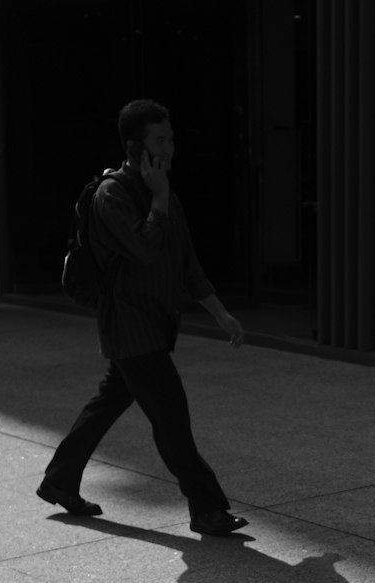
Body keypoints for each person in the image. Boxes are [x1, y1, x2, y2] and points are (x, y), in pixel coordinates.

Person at [37, 98, 249, 538]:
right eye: (160, 140)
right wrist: (157, 198)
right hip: (129, 326)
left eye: (171, 138)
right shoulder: (113, 195)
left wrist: (221, 314)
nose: (170, 147)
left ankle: (59, 481)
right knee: (171, 417)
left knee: (106, 404)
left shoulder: (165, 193)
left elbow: (186, 263)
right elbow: (145, 249)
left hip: (153, 323)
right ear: (135, 145)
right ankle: (207, 508)